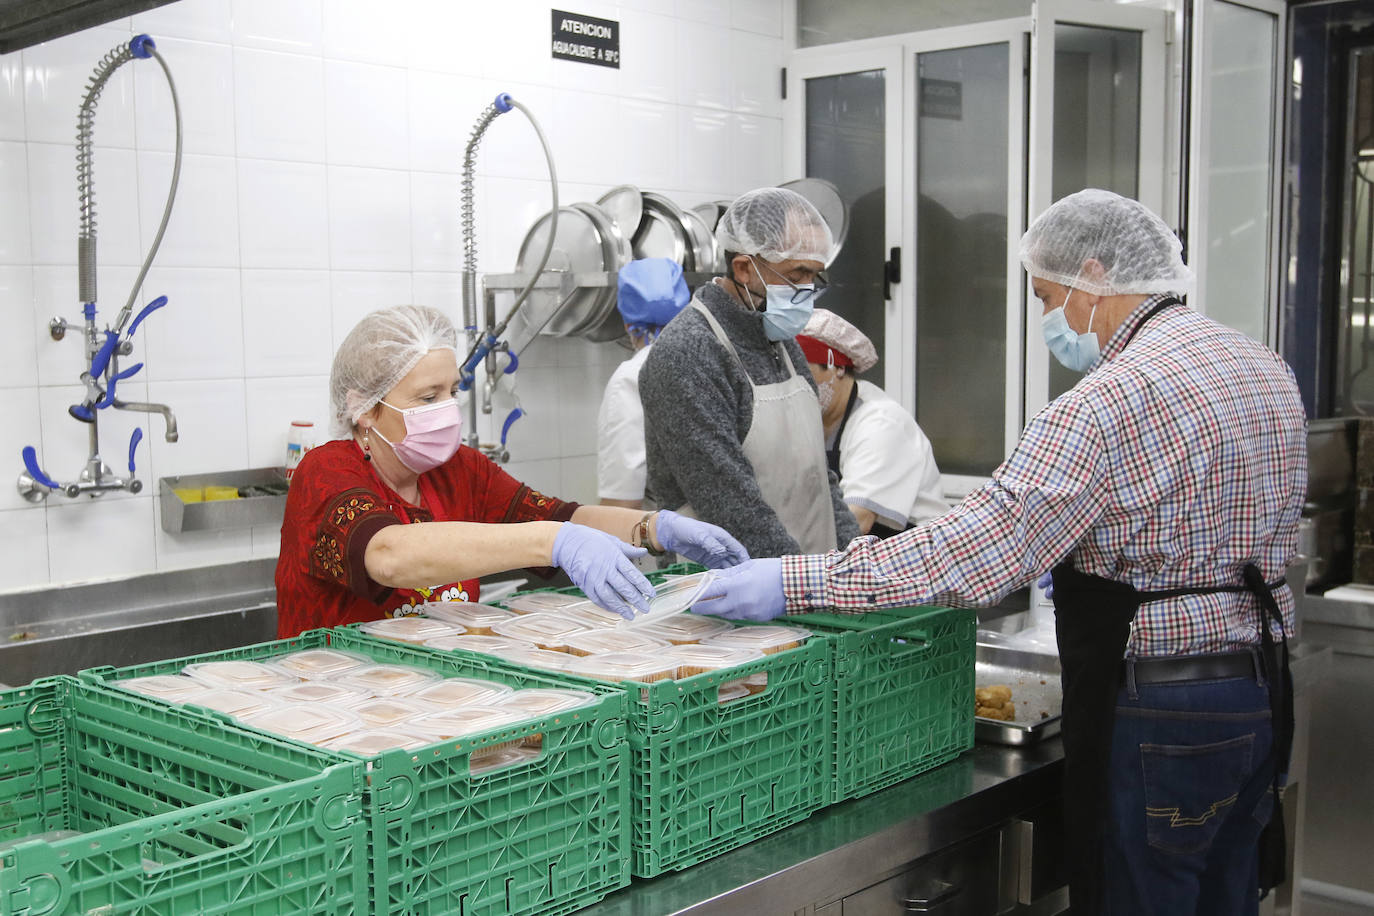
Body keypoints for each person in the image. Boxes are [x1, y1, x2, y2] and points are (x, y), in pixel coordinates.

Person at [700, 189, 1306, 916]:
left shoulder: (1106, 401)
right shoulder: (1263, 366)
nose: (1049, 318)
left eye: (1048, 296)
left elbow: (977, 552)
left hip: (1159, 710)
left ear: (1093, 275)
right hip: (1258, 688)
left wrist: (793, 581)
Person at [275, 304, 748, 637]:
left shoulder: (458, 469)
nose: (447, 409)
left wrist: (655, 528)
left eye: (451, 390)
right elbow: (388, 556)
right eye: (427, 397)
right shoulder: (327, 472)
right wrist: (551, 542)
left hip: (439, 702)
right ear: (363, 407)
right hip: (336, 711)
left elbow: (561, 517)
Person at [639, 187, 861, 558]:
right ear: (744, 268)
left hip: (814, 582)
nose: (806, 290)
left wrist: (858, 562)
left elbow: (820, 479)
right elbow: (731, 507)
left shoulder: (781, 341)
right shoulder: (689, 353)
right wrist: (806, 586)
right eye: (798, 273)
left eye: (815, 276)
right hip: (738, 595)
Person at [796, 308, 949, 535]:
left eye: (804, 373)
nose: (797, 386)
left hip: (916, 557)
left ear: (837, 367)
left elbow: (856, 524)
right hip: (863, 557)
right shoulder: (809, 424)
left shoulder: (881, 423)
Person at [597, 257, 691, 509]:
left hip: (674, 537)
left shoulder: (631, 379)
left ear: (627, 323)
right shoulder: (711, 358)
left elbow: (621, 504)